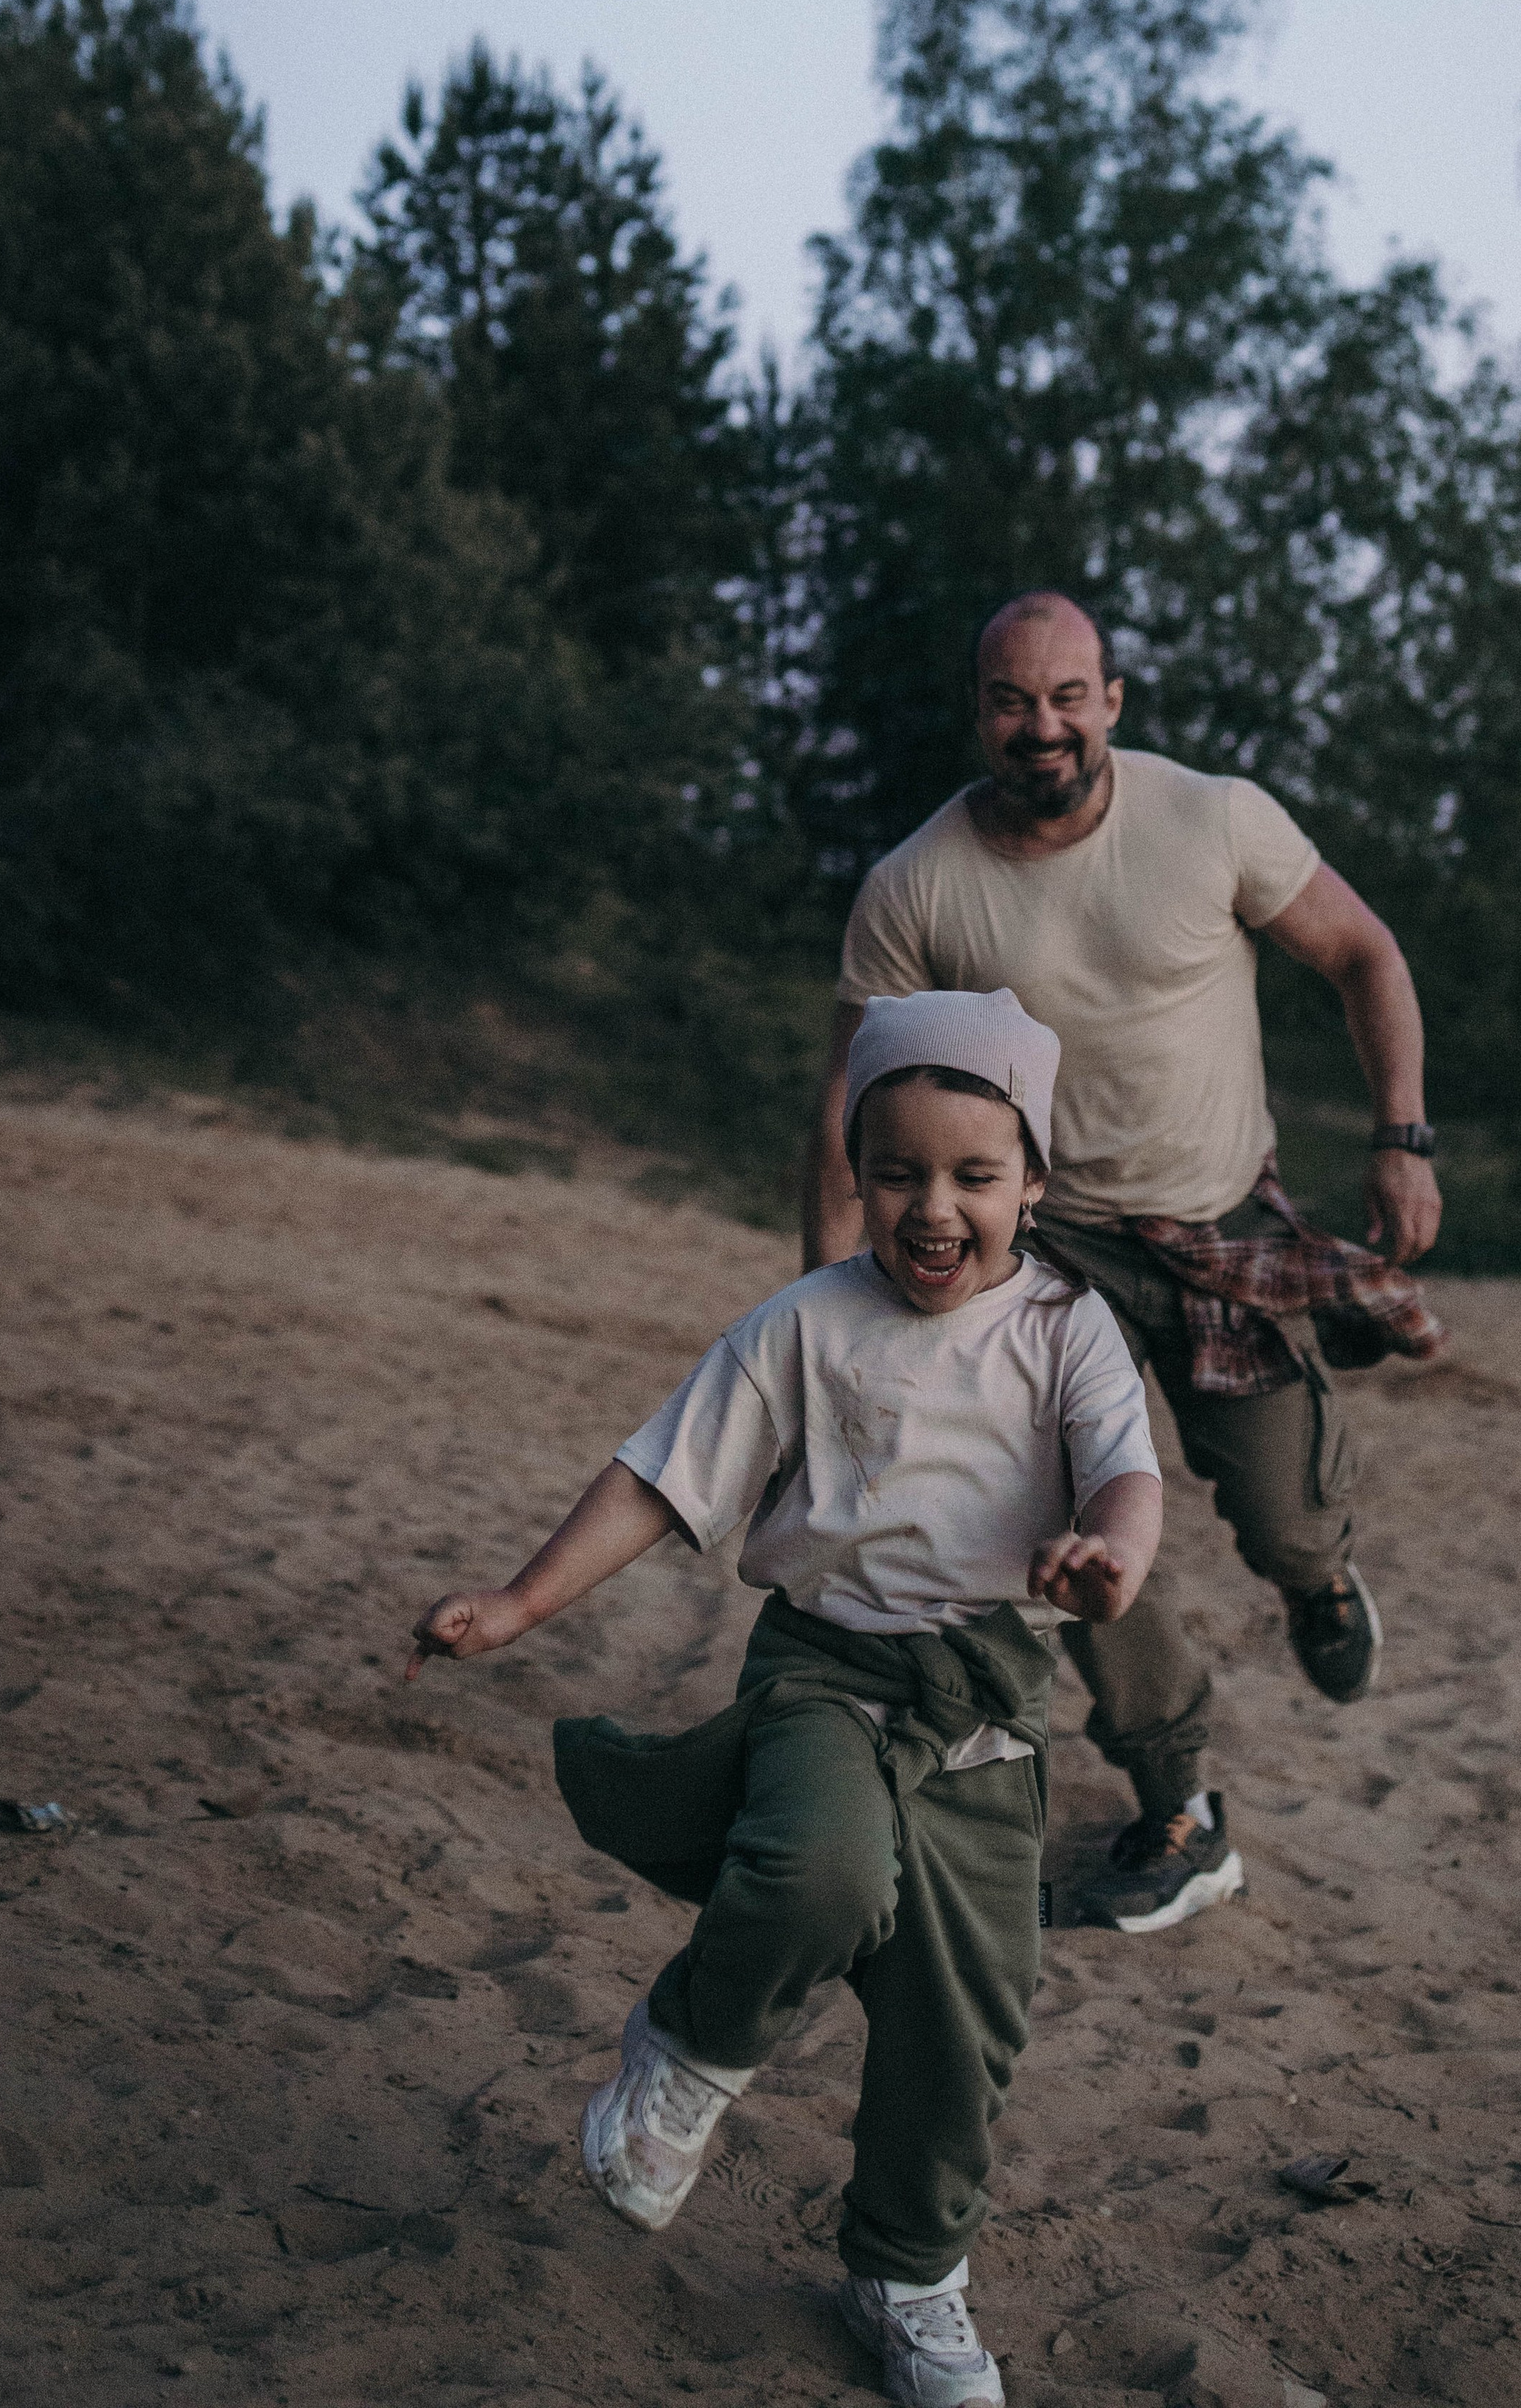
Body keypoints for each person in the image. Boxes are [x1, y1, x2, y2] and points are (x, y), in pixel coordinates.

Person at [409, 986, 1161, 2408]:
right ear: (856, 1176)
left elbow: (1125, 1471)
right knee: (821, 1873)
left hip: (987, 1711)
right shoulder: (806, 1323)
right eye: (898, 1171)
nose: (934, 1208)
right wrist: (516, 1603)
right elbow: (660, 1477)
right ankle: (692, 2044)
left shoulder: (1072, 1329)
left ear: (1035, 1185)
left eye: (975, 1175)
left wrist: (1111, 1558)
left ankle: (906, 2276)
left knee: (962, 2026)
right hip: (827, 1669)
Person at [802, 590, 1443, 1935]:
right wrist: (830, 1314)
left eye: (1066, 697)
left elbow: (1364, 954)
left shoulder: (1213, 819)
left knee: (1279, 1513)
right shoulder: (918, 885)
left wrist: (1401, 1138)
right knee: (1056, 1504)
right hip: (1048, 1243)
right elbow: (850, 1107)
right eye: (1011, 700)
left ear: (1112, 702)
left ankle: (1318, 1576)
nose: (1041, 725)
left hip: (1221, 1222)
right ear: (978, 714)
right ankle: (1178, 1800)